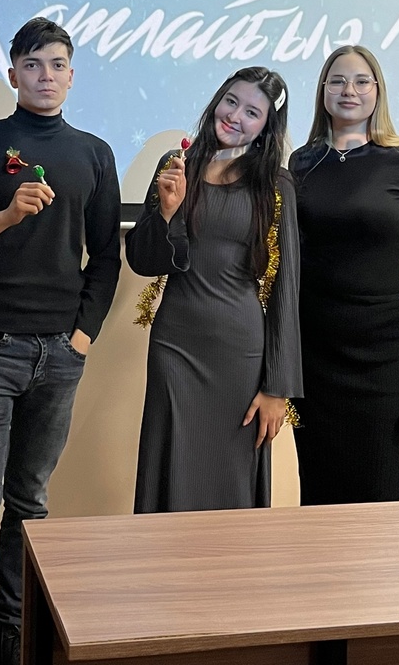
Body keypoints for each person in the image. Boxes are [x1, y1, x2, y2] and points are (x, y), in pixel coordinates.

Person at [0, 17, 121, 665]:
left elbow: (107, 257)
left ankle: (13, 637)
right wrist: (5, 217)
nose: (46, 76)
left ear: (72, 75)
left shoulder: (94, 153)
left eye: (57, 64)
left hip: (59, 354)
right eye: (33, 64)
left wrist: (82, 337)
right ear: (13, 74)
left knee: (30, 505)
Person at [126, 66, 302, 512]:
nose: (235, 116)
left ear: (266, 127)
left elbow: (286, 285)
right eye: (231, 101)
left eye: (252, 112)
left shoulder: (275, 183)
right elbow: (142, 260)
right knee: (169, 468)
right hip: (175, 345)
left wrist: (277, 387)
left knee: (231, 481)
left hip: (240, 355)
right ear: (217, 100)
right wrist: (166, 214)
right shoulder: (176, 164)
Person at [288, 45, 399, 505]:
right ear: (323, 91)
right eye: (337, 80)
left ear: (378, 90)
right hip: (313, 356)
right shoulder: (301, 163)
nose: (349, 90)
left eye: (362, 81)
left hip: (381, 356)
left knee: (383, 492)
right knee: (318, 492)